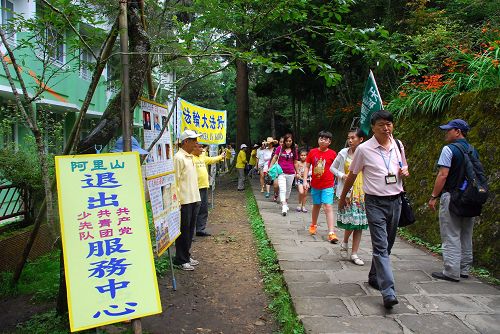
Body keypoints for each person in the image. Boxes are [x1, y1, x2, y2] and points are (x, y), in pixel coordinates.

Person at [338, 110, 409, 309]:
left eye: (389, 124)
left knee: (387, 245)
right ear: (373, 128)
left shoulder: (398, 144)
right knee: (380, 245)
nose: (386, 128)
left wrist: (405, 171)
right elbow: (352, 175)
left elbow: (404, 166)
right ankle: (388, 292)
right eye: (381, 125)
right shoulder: (364, 149)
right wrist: (343, 197)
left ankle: (373, 276)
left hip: (396, 201)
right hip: (374, 202)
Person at [428, 119, 476, 282]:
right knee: (466, 233)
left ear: (458, 132)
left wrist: (434, 196)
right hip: (471, 197)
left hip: (452, 196)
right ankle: (464, 269)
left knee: (451, 233)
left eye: (449, 130)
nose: (446, 133)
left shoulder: (449, 149)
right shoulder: (472, 149)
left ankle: (451, 271)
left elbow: (443, 174)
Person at [330, 128, 368, 266]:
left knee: (360, 224)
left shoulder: (367, 153)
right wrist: (342, 175)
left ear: (361, 139)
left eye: (353, 138)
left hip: (362, 192)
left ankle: (354, 253)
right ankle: (345, 242)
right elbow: (332, 168)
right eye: (349, 138)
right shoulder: (343, 153)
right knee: (352, 221)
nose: (350, 140)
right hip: (348, 192)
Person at [173, 129, 202, 271]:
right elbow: (175, 181)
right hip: (184, 201)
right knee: (184, 230)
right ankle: (180, 259)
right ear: (186, 142)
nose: (196, 144)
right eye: (194, 141)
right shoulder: (178, 157)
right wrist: (177, 201)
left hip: (193, 198)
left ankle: (186, 255)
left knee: (190, 230)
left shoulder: (189, 157)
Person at [303, 131, 338, 243]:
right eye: (321, 138)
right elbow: (307, 167)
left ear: (330, 142)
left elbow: (337, 169)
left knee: (328, 206)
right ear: (318, 140)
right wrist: (305, 180)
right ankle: (313, 224)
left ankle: (331, 232)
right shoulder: (312, 152)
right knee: (316, 205)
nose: (323, 140)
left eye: (326, 139)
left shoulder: (333, 154)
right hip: (315, 184)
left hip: (328, 184)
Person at [193, 143, 225, 237]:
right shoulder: (189, 158)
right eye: (200, 148)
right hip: (194, 187)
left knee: (203, 208)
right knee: (194, 210)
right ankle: (191, 232)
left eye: (202, 148)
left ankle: (200, 229)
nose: (202, 150)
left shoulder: (202, 156)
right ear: (194, 148)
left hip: (203, 186)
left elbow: (211, 159)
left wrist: (220, 156)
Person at [269, 133, 299, 216]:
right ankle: (284, 205)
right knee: (282, 189)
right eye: (287, 141)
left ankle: (285, 201)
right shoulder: (280, 148)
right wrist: (270, 167)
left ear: (292, 141)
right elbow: (275, 157)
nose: (288, 142)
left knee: (288, 189)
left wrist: (298, 172)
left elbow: (295, 162)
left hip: (291, 173)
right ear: (284, 141)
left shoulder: (294, 150)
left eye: (290, 141)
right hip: (281, 172)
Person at [296, 149, 310, 213]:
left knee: (305, 194)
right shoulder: (298, 163)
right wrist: (297, 174)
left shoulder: (308, 163)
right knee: (301, 192)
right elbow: (295, 170)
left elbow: (311, 171)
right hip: (299, 180)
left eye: (304, 155)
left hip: (307, 180)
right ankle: (299, 204)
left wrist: (306, 173)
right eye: (301, 155)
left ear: (307, 156)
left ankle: (303, 206)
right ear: (299, 156)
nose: (303, 156)